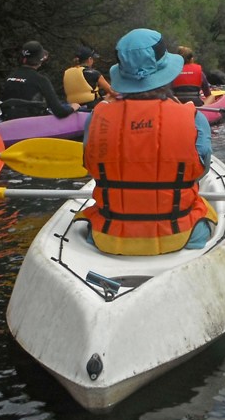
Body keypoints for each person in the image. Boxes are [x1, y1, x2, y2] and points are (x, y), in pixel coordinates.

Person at [77, 28, 217, 255]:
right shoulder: (194, 118)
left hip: (108, 234)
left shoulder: (96, 118)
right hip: (181, 234)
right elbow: (201, 171)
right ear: (166, 72)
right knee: (205, 210)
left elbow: (90, 166)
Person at [0, 41, 80, 120]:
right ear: (40, 61)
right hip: (32, 123)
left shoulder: (9, 78)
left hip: (8, 121)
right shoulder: (41, 80)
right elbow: (60, 112)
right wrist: (73, 107)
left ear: (24, 59)